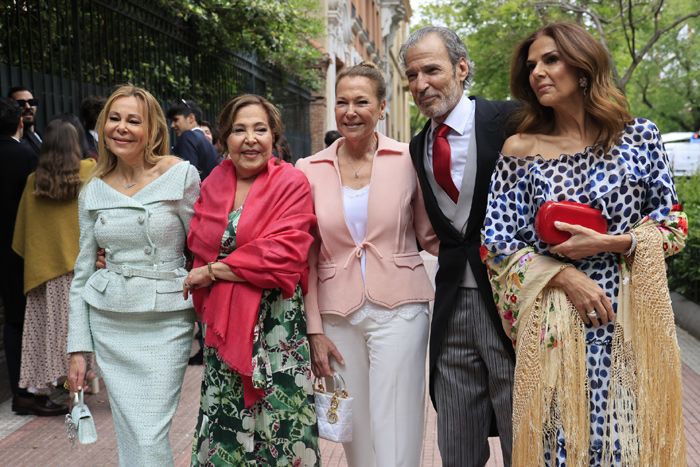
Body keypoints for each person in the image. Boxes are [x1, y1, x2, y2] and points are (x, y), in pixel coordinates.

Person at [482, 22, 687, 466]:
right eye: (532, 64)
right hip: (558, 321)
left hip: (631, 319)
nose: (538, 72)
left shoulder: (639, 138)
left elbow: (673, 225)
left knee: (629, 444)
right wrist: (564, 275)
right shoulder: (522, 149)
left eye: (551, 60)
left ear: (583, 67)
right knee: (561, 445)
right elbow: (496, 244)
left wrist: (613, 242)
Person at [296, 62, 439, 467]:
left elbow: (429, 232)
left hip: (401, 308)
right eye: (342, 102)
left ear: (381, 108)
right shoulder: (307, 169)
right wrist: (314, 328)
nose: (350, 111)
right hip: (335, 311)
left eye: (361, 102)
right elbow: (304, 255)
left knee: (396, 421)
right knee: (354, 430)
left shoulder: (408, 158)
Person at [400, 26, 516, 466]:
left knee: (522, 434)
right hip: (450, 304)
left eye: (431, 70)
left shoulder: (509, 120)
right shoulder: (419, 146)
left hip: (509, 302)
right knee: (456, 439)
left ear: (462, 68)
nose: (420, 84)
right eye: (412, 75)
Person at [66, 85, 200, 466]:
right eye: (114, 118)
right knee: (130, 430)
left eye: (133, 121)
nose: (121, 128)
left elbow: (203, 249)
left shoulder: (180, 175)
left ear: (152, 130)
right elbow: (82, 272)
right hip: (112, 321)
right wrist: (78, 348)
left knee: (148, 432)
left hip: (166, 320)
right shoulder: (92, 189)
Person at [186, 94, 318, 466]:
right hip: (224, 330)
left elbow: (283, 257)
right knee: (227, 425)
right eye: (239, 130)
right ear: (224, 138)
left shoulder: (291, 183)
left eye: (260, 129)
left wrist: (213, 271)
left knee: (283, 424)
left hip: (277, 330)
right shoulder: (212, 184)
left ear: (273, 135)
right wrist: (223, 265)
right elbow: (199, 242)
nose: (250, 139)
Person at [13, 119, 96, 399]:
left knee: (50, 335)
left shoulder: (34, 181)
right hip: (81, 271)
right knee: (79, 333)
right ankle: (79, 384)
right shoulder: (90, 171)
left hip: (45, 274)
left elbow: (25, 234)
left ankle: (59, 386)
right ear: (76, 143)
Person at [0, 97, 59, 416]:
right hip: (19, 251)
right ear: (20, 123)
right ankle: (27, 389)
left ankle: (20, 388)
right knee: (25, 320)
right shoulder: (25, 157)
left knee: (11, 322)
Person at [167, 99, 219, 179]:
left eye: (176, 120)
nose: (172, 125)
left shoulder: (188, 137)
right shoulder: (205, 141)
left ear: (191, 118)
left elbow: (187, 178)